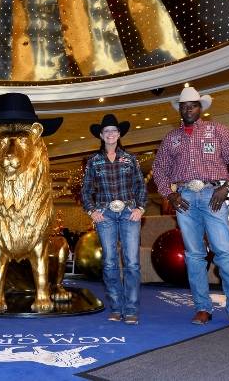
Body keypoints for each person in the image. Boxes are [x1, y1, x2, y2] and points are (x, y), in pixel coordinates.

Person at [152, 86, 229, 326]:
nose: (188, 109)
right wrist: (170, 194)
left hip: (214, 195)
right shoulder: (171, 138)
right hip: (185, 198)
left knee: (224, 253)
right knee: (194, 256)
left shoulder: (219, 131)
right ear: (179, 109)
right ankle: (202, 308)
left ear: (201, 108)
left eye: (193, 105)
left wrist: (227, 186)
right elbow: (159, 170)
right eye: (184, 106)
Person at [81, 114, 147, 325]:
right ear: (101, 135)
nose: (110, 134)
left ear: (119, 135)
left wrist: (140, 208)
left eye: (114, 131)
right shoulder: (93, 161)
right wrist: (92, 211)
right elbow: (86, 191)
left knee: (132, 263)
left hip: (129, 213)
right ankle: (116, 308)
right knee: (109, 263)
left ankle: (131, 310)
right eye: (106, 131)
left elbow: (141, 187)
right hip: (105, 215)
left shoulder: (131, 159)